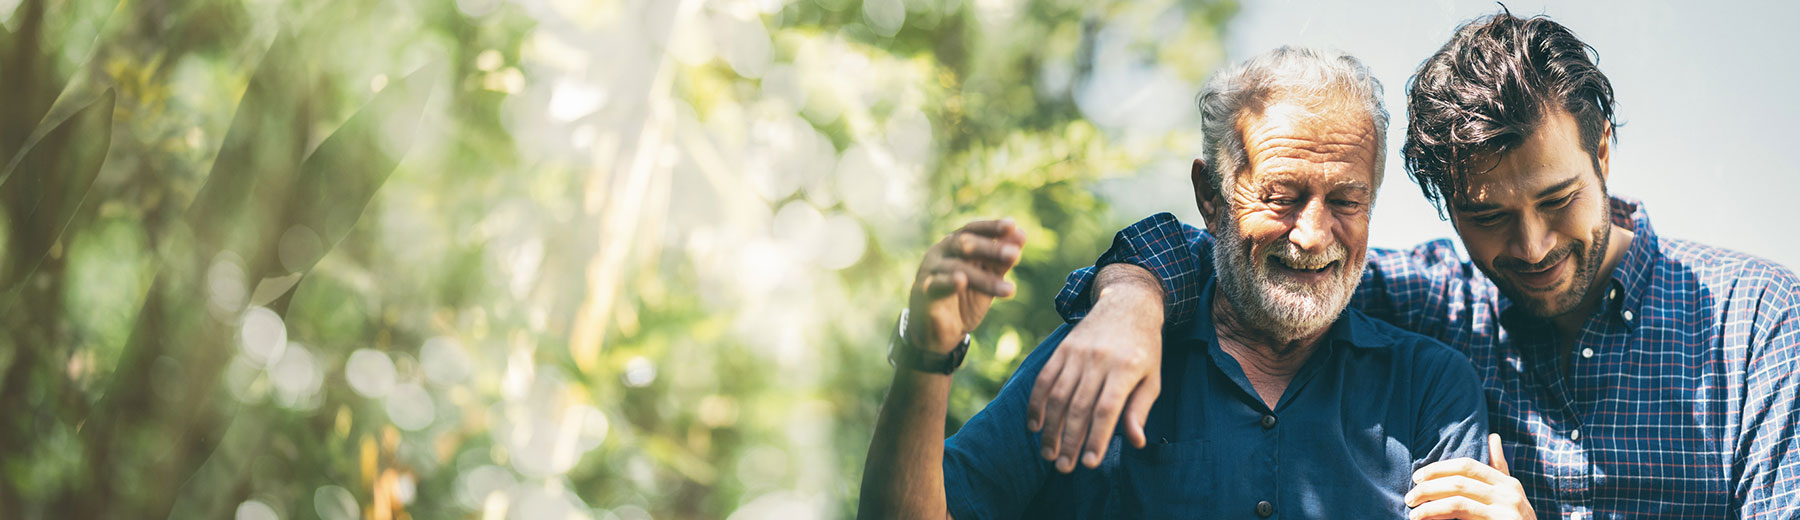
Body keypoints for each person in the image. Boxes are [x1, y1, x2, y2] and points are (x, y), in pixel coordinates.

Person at [1033, 9, 1800, 520]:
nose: (1530, 248)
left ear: (1602, 153)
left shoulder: (1758, 323)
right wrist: (1129, 297)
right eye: (1488, 216)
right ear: (1443, 204)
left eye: (1558, 199)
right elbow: (1247, 255)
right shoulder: (1430, 302)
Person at [858, 47, 1490, 518]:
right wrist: (926, 354)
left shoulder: (1430, 388)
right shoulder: (1104, 349)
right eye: (1281, 196)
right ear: (1210, 197)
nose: (1312, 234)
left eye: (1347, 200)